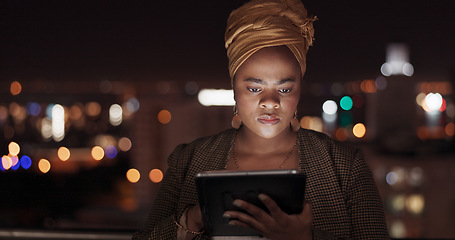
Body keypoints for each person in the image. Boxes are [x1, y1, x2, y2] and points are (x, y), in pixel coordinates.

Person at [133, 0, 389, 239]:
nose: (270, 101)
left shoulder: (344, 166)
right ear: (234, 89)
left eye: (285, 89)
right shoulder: (187, 161)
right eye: (254, 88)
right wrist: (192, 219)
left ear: (300, 88)